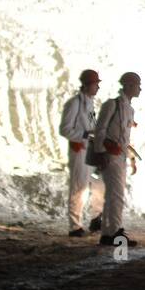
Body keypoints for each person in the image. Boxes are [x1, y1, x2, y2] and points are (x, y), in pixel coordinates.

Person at [94, 71, 141, 248]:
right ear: (128, 86)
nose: (140, 88)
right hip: (110, 154)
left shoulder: (129, 108)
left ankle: (109, 233)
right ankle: (113, 232)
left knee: (114, 195)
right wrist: (101, 153)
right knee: (116, 195)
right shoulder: (112, 105)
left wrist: (131, 158)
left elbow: (126, 137)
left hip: (120, 155)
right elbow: (100, 130)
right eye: (137, 85)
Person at [58, 69, 105, 237]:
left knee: (99, 185)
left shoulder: (90, 103)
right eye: (96, 84)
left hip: (91, 148)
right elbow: (65, 129)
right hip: (79, 150)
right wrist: (83, 135)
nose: (98, 87)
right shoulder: (74, 103)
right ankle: (75, 226)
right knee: (79, 187)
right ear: (87, 85)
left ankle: (96, 218)